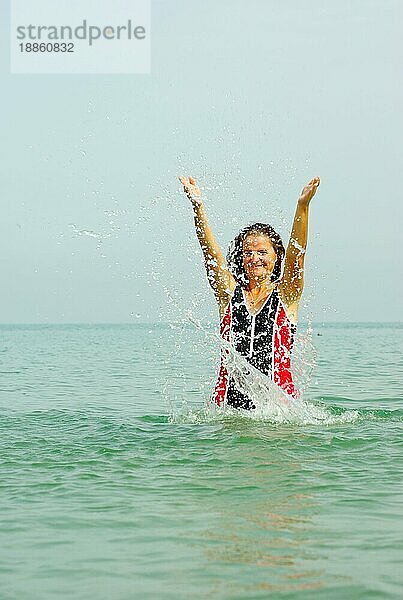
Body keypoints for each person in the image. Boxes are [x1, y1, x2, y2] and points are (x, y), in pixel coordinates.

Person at [179, 175, 320, 410]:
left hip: (279, 412)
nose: (255, 259)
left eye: (262, 252)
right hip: (226, 410)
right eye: (248, 253)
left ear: (276, 256)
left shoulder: (287, 295)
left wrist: (302, 206)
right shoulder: (229, 295)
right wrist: (198, 207)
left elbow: (298, 254)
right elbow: (210, 255)